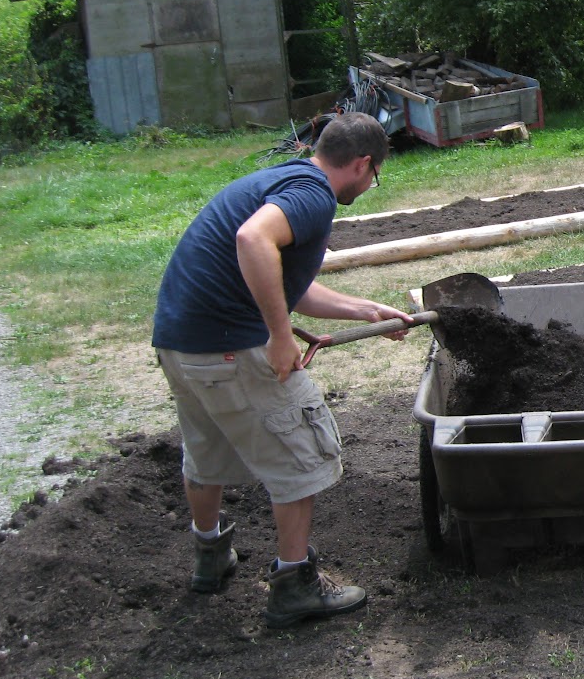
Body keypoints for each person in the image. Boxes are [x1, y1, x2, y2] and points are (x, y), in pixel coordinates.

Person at [152, 113, 415, 628]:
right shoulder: (314, 194)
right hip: (230, 349)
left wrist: (366, 311)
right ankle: (294, 585)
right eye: (374, 175)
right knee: (303, 456)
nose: (369, 184)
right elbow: (253, 242)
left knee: (205, 451)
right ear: (362, 163)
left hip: (181, 345)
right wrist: (277, 335)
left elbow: (285, 280)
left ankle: (211, 556)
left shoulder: (282, 179)